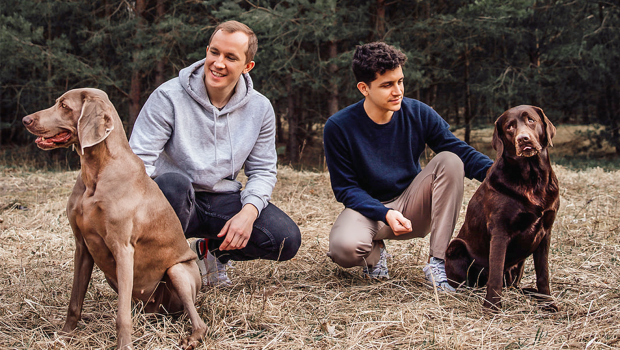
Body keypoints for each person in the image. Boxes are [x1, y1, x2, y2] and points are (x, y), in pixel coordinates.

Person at [129, 20, 301, 288]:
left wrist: (249, 212)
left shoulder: (260, 108)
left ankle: (211, 253)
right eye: (214, 52)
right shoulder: (168, 96)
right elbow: (138, 161)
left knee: (285, 239)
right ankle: (161, 273)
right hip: (171, 197)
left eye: (231, 57)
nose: (218, 63)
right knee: (174, 183)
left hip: (222, 199)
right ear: (207, 50)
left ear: (247, 66)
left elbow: (263, 170)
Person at [323, 42, 493, 291]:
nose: (398, 91)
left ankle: (438, 263)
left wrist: (497, 173)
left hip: (414, 206)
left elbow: (460, 151)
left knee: (450, 160)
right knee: (343, 249)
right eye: (387, 85)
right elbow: (345, 189)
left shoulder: (418, 113)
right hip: (370, 211)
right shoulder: (338, 127)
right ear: (364, 88)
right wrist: (384, 213)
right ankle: (374, 254)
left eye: (400, 81)